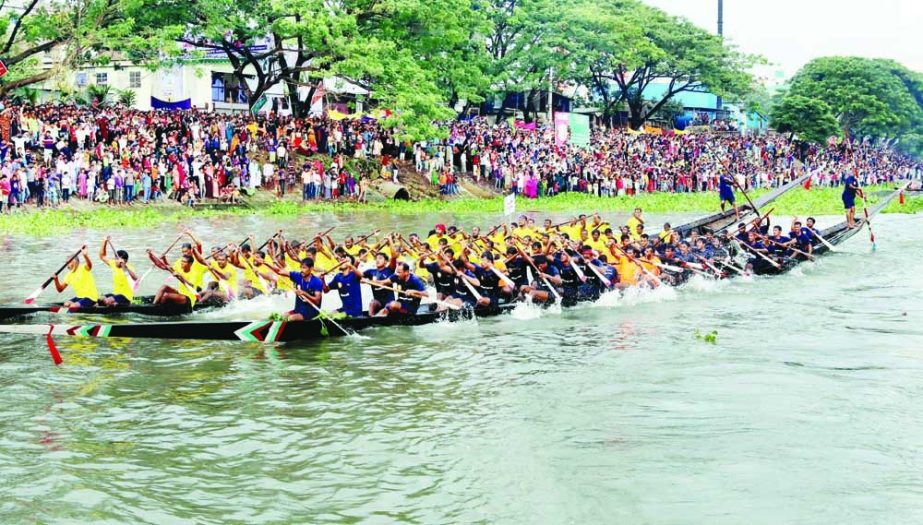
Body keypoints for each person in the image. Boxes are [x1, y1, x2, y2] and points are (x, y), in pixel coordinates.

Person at [99, 236, 138, 306]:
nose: (116, 261)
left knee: (107, 301)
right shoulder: (114, 264)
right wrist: (104, 242)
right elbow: (102, 256)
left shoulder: (129, 267)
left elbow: (136, 278)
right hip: (116, 295)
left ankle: (119, 304)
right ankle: (115, 303)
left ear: (125, 261)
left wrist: (125, 267)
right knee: (100, 299)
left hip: (126, 296)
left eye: (118, 260)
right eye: (116, 259)